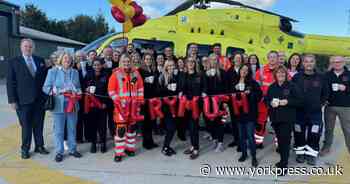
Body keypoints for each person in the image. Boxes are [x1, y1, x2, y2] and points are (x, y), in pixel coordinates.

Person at [7, 38, 49, 159]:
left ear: (33, 48)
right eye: (26, 46)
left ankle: (39, 146)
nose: (28, 48)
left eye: (30, 47)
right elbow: (11, 83)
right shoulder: (13, 62)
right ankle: (25, 149)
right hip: (23, 101)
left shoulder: (40, 60)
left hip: (39, 100)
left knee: (39, 124)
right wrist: (12, 100)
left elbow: (45, 80)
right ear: (21, 47)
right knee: (26, 126)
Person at [43, 52, 83, 162]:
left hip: (72, 103)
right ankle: (59, 151)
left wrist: (78, 92)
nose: (67, 60)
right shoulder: (53, 71)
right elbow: (45, 87)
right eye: (65, 58)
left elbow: (78, 87)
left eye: (69, 59)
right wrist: (55, 91)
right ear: (61, 59)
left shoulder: (75, 72)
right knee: (59, 130)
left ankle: (72, 149)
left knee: (72, 128)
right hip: (59, 104)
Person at [265, 65, 303, 175]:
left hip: (287, 119)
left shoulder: (292, 86)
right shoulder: (272, 87)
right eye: (278, 73)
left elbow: (300, 101)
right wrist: (270, 103)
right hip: (275, 119)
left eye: (282, 73)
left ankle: (284, 166)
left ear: (286, 74)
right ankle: (282, 161)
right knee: (280, 142)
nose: (280, 75)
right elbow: (266, 100)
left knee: (285, 142)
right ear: (275, 75)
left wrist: (287, 102)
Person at [292, 54, 328, 165]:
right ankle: (300, 153)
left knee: (314, 134)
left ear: (314, 63)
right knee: (299, 133)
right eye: (306, 61)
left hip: (315, 113)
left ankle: (311, 155)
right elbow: (292, 92)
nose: (309, 63)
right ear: (303, 63)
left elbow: (326, 93)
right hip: (299, 112)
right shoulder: (296, 77)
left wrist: (320, 104)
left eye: (311, 61)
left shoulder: (321, 77)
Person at [108, 54, 144, 162]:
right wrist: (119, 101)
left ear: (131, 62)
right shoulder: (116, 74)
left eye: (128, 61)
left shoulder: (136, 74)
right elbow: (111, 91)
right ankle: (119, 152)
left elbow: (140, 88)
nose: (126, 63)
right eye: (124, 61)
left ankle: (129, 148)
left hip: (134, 106)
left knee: (132, 129)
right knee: (121, 130)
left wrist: (139, 100)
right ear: (121, 62)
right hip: (121, 107)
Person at [232, 64, 262, 167]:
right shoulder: (235, 82)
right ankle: (244, 154)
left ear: (249, 72)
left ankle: (254, 157)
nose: (244, 71)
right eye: (242, 69)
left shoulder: (253, 83)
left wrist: (250, 93)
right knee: (241, 136)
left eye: (246, 70)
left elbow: (259, 96)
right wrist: (234, 91)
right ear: (239, 71)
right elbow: (230, 97)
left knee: (250, 136)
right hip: (239, 114)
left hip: (250, 114)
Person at [321, 56, 350, 156]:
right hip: (330, 106)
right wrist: (323, 101)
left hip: (346, 107)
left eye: (339, 62)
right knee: (328, 129)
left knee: (347, 129)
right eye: (334, 62)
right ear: (331, 64)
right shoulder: (327, 75)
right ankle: (326, 147)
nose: (336, 63)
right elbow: (323, 89)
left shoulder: (349, 74)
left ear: (343, 62)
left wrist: (345, 88)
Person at [254, 51, 279, 149]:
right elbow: (255, 87)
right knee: (260, 123)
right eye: (270, 57)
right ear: (267, 58)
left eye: (274, 57)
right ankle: (258, 142)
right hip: (263, 102)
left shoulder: (282, 71)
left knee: (278, 124)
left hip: (276, 102)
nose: (272, 59)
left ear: (277, 59)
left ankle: (279, 145)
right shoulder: (260, 71)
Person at [181, 57, 204, 159]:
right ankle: (192, 146)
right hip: (186, 104)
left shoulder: (199, 75)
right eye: (188, 62)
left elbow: (204, 87)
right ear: (186, 64)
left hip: (196, 104)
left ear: (195, 64)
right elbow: (182, 88)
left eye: (192, 62)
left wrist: (203, 94)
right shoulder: (184, 75)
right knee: (190, 127)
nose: (190, 63)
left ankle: (196, 149)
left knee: (194, 126)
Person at [203, 54, 227, 153]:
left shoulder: (222, 73)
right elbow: (203, 87)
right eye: (212, 60)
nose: (214, 61)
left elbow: (226, 88)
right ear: (209, 61)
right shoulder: (205, 73)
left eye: (216, 59)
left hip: (220, 101)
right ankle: (214, 139)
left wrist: (225, 101)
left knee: (219, 122)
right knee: (210, 122)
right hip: (208, 102)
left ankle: (220, 143)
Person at [84, 59, 108, 153]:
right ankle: (93, 143)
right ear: (92, 66)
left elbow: (108, 89)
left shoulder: (106, 75)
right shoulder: (88, 74)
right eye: (95, 65)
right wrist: (86, 88)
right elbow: (83, 86)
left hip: (102, 104)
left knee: (102, 125)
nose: (97, 67)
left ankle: (103, 143)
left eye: (98, 65)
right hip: (91, 104)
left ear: (102, 65)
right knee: (92, 125)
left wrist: (105, 102)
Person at [158, 60, 180, 156]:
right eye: (169, 66)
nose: (171, 67)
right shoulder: (162, 77)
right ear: (166, 67)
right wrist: (168, 89)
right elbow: (158, 91)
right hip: (166, 107)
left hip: (175, 106)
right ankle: (165, 147)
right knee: (171, 128)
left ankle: (167, 146)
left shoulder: (175, 76)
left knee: (173, 128)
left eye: (172, 65)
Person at [139, 53, 159, 150]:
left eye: (150, 59)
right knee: (145, 122)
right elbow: (136, 84)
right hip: (144, 100)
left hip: (153, 100)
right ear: (143, 60)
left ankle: (150, 140)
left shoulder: (153, 71)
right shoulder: (140, 71)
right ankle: (146, 142)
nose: (148, 61)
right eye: (146, 59)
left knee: (151, 121)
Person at [226, 53, 243, 149]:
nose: (237, 60)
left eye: (239, 58)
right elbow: (227, 86)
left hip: (244, 100)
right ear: (233, 60)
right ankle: (236, 140)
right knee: (234, 121)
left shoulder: (245, 69)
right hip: (232, 101)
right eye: (236, 58)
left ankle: (241, 141)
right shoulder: (229, 71)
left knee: (242, 121)